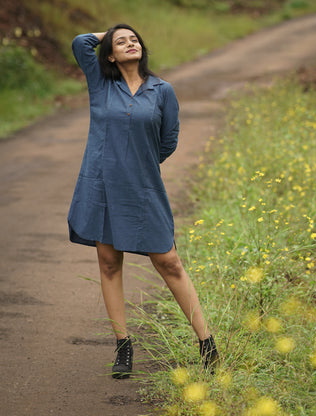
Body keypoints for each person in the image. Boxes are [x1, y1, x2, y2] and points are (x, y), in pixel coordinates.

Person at [68, 23, 218, 378]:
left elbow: (169, 140)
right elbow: (79, 44)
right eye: (122, 42)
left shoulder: (162, 90)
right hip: (102, 185)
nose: (130, 43)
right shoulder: (101, 84)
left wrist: (140, 162)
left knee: (168, 262)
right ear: (110, 55)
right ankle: (123, 347)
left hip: (143, 186)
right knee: (108, 262)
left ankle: (207, 342)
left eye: (134, 39)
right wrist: (109, 34)